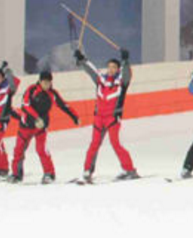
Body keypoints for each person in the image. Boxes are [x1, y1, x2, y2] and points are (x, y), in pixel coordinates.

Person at [75, 46, 138, 181]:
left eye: (114, 67)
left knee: (115, 144)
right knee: (94, 144)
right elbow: (91, 70)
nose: (111, 69)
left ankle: (129, 169)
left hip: (113, 119)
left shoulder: (121, 82)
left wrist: (125, 61)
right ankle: (87, 171)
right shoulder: (101, 80)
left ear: (118, 69)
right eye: (109, 67)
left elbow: (127, 74)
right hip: (99, 118)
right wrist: (82, 59)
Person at [11, 69, 78, 183]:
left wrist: (74, 116)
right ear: (40, 81)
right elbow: (25, 106)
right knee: (19, 150)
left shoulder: (52, 93)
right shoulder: (31, 90)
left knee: (41, 149)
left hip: (41, 128)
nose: (46, 85)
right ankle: (17, 174)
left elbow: (63, 105)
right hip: (26, 125)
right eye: (44, 82)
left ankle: (49, 174)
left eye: (49, 82)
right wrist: (36, 118)